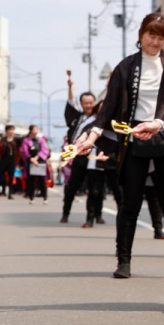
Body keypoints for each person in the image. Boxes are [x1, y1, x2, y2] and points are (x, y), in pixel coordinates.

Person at [76, 12, 164, 280]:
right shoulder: (126, 67)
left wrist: (158, 125)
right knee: (129, 204)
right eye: (151, 35)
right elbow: (107, 110)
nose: (155, 41)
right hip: (133, 139)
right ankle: (124, 260)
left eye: (161, 37)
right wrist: (92, 137)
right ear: (141, 34)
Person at [60, 79, 97, 224]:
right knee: (72, 187)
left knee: (94, 190)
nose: (88, 105)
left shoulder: (100, 119)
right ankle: (65, 213)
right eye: (85, 103)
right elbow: (70, 102)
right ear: (81, 104)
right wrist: (70, 87)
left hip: (94, 157)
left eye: (91, 102)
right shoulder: (77, 118)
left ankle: (91, 218)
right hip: (78, 157)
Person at [20, 125, 50, 201]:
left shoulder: (41, 140)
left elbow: (45, 150)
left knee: (42, 180)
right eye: (35, 129)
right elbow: (24, 151)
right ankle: (31, 197)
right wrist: (31, 159)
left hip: (40, 162)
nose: (36, 130)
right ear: (31, 130)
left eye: (37, 129)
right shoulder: (26, 140)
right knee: (31, 181)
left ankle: (45, 197)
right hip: (30, 162)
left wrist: (37, 158)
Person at [0, 124, 20, 198]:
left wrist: (18, 162)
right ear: (6, 131)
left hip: (12, 161)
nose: (11, 131)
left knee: (11, 178)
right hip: (3, 161)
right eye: (10, 130)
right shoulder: (3, 140)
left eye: (12, 130)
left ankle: (10, 194)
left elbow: (19, 151)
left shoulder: (16, 140)